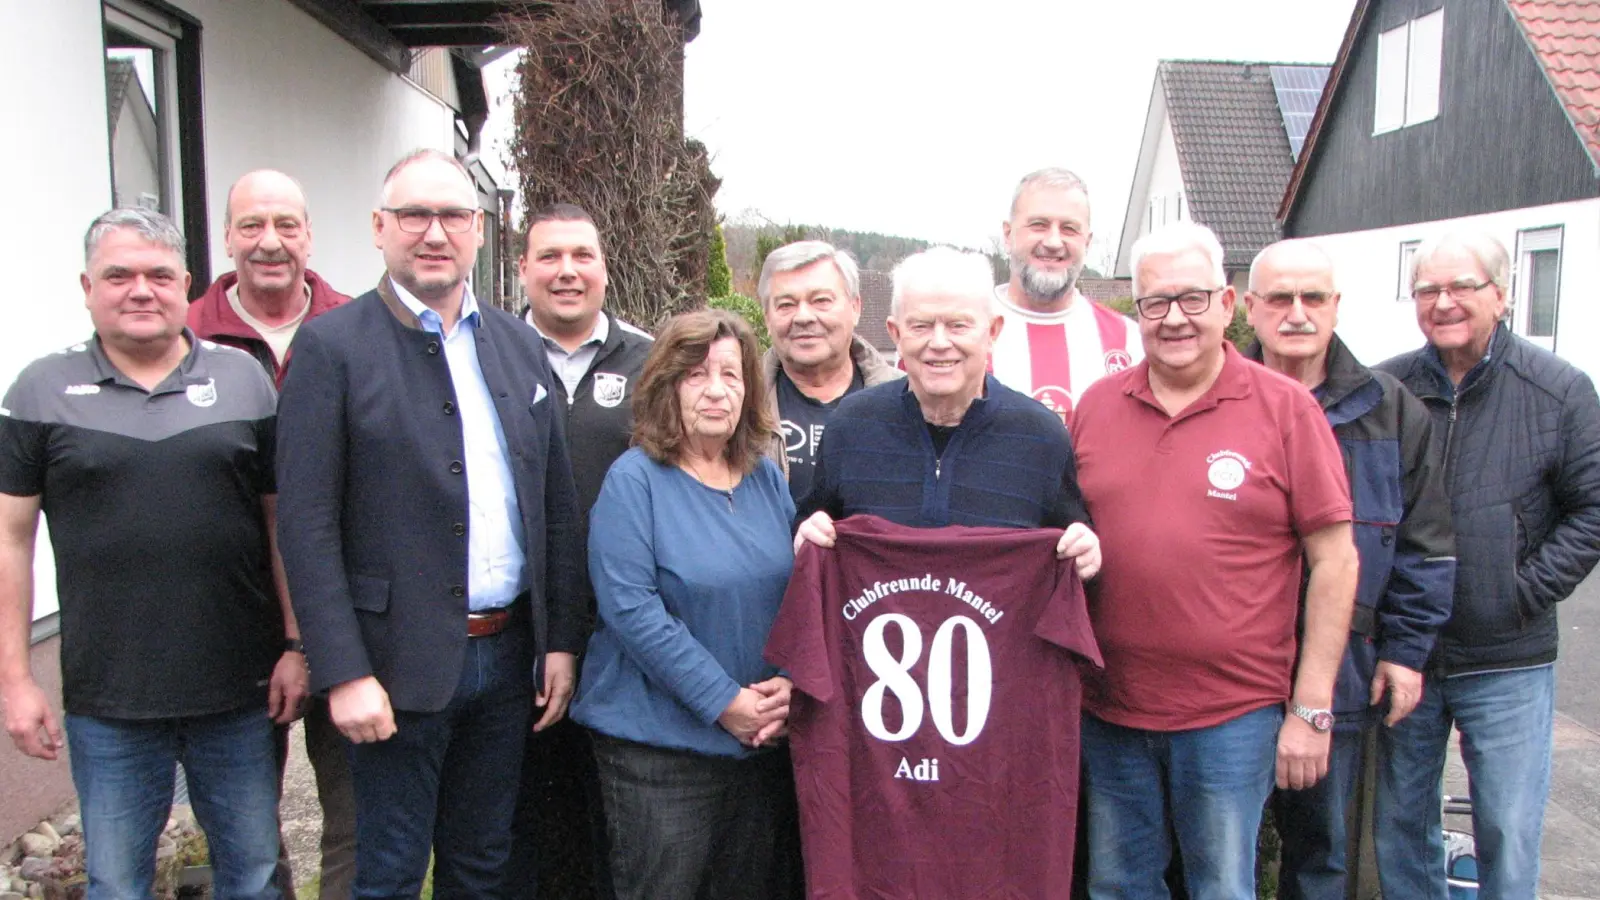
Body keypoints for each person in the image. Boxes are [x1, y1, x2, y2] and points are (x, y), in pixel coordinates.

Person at [274, 149, 587, 899]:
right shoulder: (330, 348)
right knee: (389, 870)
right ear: (380, 228)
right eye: (414, 214)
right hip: (393, 664)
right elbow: (306, 525)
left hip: (509, 660)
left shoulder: (516, 343)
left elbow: (554, 507)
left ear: (478, 232)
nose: (434, 232)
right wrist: (342, 672)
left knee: (482, 865)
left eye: (452, 215)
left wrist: (561, 640)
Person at [779, 246, 1103, 897]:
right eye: (922, 326)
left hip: (992, 744)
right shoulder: (852, 427)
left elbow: (1074, 541)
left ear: (993, 331)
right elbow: (816, 524)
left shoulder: (1039, 436)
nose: (940, 344)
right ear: (894, 335)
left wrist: (1086, 550)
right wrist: (806, 534)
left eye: (958, 325)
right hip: (878, 741)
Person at [0, 208, 290, 899]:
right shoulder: (39, 391)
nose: (140, 290)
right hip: (110, 700)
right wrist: (16, 678)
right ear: (87, 285)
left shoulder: (246, 382)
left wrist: (296, 645)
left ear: (186, 284)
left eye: (159, 275)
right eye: (119, 275)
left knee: (251, 875)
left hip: (238, 692)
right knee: (117, 882)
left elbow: (282, 528)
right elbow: (10, 540)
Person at [1070, 222, 1359, 900]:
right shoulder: (1096, 406)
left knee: (1222, 887)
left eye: (1193, 299)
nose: (1174, 319)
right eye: (1154, 303)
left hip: (1232, 714)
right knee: (1118, 886)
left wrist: (1312, 709)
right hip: (1110, 708)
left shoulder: (1284, 408)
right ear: (1134, 311)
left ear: (1228, 305)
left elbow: (1336, 561)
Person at [1375, 231, 1600, 900]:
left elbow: (1592, 509)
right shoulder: (1388, 388)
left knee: (1507, 828)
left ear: (1500, 295)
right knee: (1400, 828)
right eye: (1427, 290)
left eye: (1461, 287)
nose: (1443, 303)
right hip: (1406, 653)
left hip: (1507, 655)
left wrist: (1521, 590)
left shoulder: (1558, 390)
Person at [1240, 239, 1455, 900]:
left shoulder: (1390, 410)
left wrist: (1407, 653)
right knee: (1221, 851)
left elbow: (1427, 544)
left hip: (1345, 668)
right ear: (1250, 309)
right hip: (1230, 670)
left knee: (1323, 854)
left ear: (1336, 308)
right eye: (1280, 298)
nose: (1297, 313)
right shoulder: (1215, 400)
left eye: (1313, 298)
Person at [569, 309, 794, 900]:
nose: (717, 390)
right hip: (660, 757)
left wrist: (789, 686)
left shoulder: (766, 479)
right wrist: (723, 701)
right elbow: (631, 609)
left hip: (756, 747)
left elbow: (798, 595)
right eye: (696, 375)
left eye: (731, 374)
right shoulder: (634, 480)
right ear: (666, 385)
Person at [189, 168, 355, 900]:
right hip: (229, 617)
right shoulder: (183, 334)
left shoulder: (357, 327)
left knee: (358, 808)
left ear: (310, 235)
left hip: (352, 611)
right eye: (252, 226)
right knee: (245, 827)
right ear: (227, 237)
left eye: (287, 225)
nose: (270, 242)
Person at [510, 202, 652, 900]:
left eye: (582, 256)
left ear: (604, 267)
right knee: (525, 823)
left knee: (613, 820)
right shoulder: (489, 356)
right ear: (522, 269)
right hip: (516, 629)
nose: (567, 271)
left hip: (623, 627)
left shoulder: (652, 361)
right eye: (549, 257)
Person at [988, 168, 1142, 423]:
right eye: (1039, 225)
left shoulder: (1129, 341)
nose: (1053, 241)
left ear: (1088, 241)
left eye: (1069, 229)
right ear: (1008, 234)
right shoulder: (959, 330)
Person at [757, 240, 900, 501]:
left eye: (821, 301)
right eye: (786, 305)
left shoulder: (906, 399)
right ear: (767, 318)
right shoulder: (740, 402)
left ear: (855, 307)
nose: (803, 317)